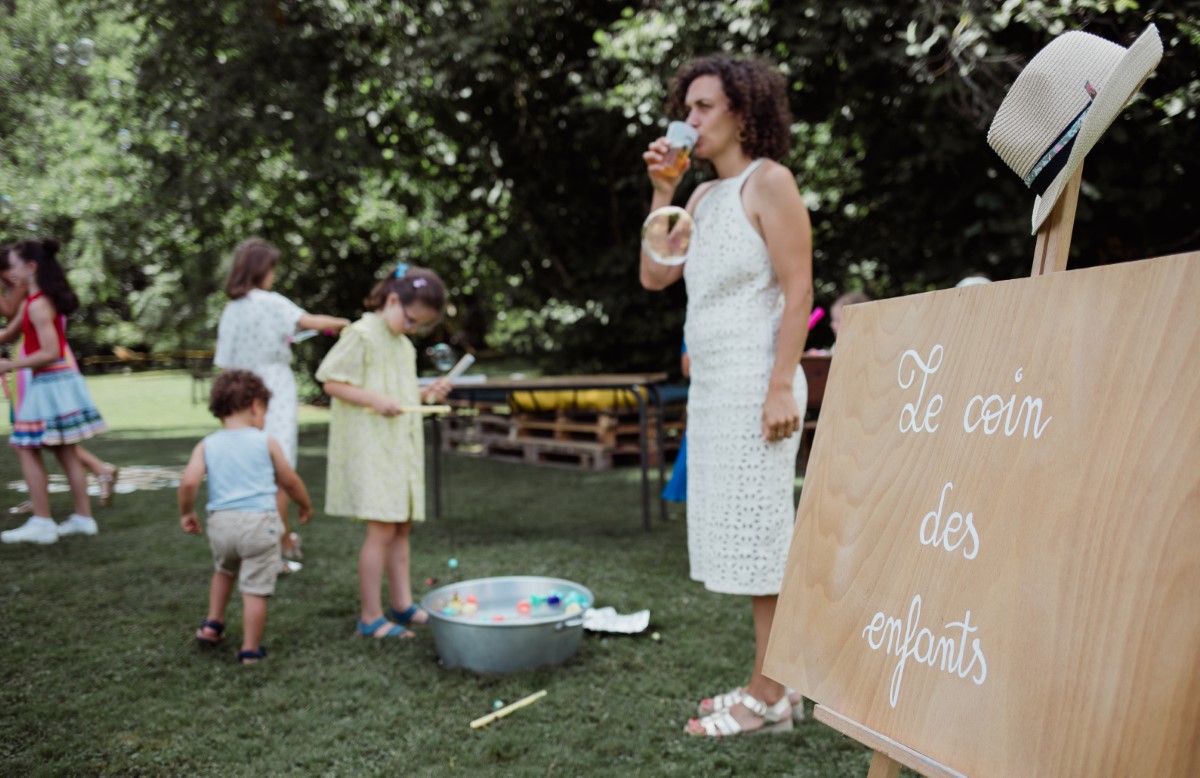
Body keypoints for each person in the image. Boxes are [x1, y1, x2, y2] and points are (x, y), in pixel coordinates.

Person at [640, 55, 813, 736]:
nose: (691, 120)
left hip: (757, 384)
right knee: (745, 545)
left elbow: (799, 291)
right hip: (714, 389)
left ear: (743, 111)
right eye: (687, 108)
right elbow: (656, 278)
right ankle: (772, 687)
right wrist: (662, 193)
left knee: (764, 544)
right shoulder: (703, 198)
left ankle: (770, 700)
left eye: (704, 107)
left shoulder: (770, 183)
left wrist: (778, 386)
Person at [315, 263, 451, 639]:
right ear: (392, 300)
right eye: (410, 319)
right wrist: (373, 399)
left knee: (401, 527)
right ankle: (370, 616)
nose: (413, 329)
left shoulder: (403, 345)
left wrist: (426, 395)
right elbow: (330, 381)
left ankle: (403, 604)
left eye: (419, 325)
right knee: (381, 529)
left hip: (399, 449)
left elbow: (403, 396)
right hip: (372, 447)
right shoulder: (361, 334)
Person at [214, 238, 349, 558]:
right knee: (278, 467)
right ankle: (280, 542)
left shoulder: (231, 310)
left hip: (238, 393)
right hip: (273, 389)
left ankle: (252, 539)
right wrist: (344, 324)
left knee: (249, 467)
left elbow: (223, 362)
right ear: (262, 269)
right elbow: (310, 322)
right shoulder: (272, 302)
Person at [178, 369, 313, 664]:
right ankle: (250, 649)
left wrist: (187, 512)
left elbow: (189, 481)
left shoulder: (207, 444)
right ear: (255, 405)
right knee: (254, 589)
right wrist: (304, 505)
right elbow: (289, 481)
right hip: (259, 525)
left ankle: (212, 624)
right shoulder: (265, 441)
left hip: (221, 525)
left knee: (224, 570)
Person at [0, 239, 106, 544]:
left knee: (26, 447)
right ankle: (83, 519)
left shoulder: (39, 304)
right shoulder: (38, 300)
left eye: (14, 264)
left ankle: (43, 523)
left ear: (31, 268)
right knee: (65, 449)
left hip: (50, 383)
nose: (10, 271)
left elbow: (51, 351)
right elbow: (8, 333)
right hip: (57, 383)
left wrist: (12, 365)